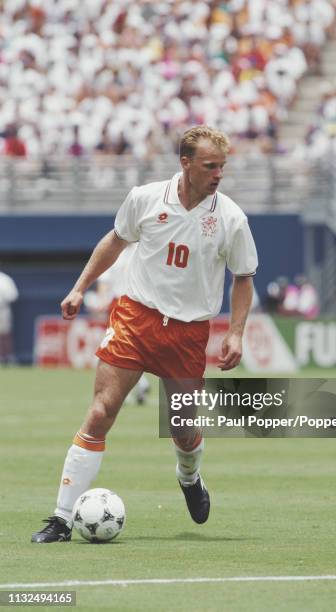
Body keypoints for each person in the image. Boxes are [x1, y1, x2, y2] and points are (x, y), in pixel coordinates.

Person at [31, 125, 258, 543]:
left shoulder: (231, 218)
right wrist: (80, 287)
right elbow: (115, 241)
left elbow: (243, 277)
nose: (218, 174)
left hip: (189, 333)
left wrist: (237, 333)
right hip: (136, 319)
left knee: (182, 430)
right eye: (210, 166)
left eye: (222, 166)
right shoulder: (145, 198)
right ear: (185, 164)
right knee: (101, 412)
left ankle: (189, 477)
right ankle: (62, 518)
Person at [83, 243, 150, 404]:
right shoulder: (119, 250)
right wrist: (101, 300)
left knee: (124, 349)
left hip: (131, 303)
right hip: (124, 304)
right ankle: (138, 385)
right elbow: (104, 282)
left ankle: (135, 386)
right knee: (126, 349)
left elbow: (104, 283)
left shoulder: (137, 249)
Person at [0, 269, 19, 364]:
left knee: (5, 334)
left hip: (2, 309)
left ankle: (8, 357)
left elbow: (13, 295)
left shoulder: (5, 279)